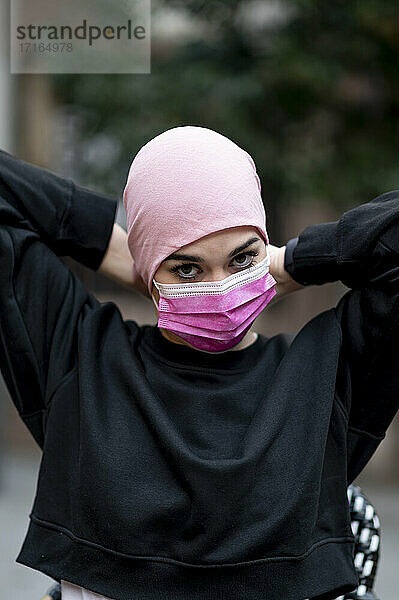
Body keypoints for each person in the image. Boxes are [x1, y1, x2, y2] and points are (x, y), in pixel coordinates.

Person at [0, 125, 397, 600]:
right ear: (151, 272)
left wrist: (291, 263)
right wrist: (121, 253)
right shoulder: (81, 360)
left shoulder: (326, 377)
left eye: (242, 259)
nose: (220, 288)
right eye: (186, 268)